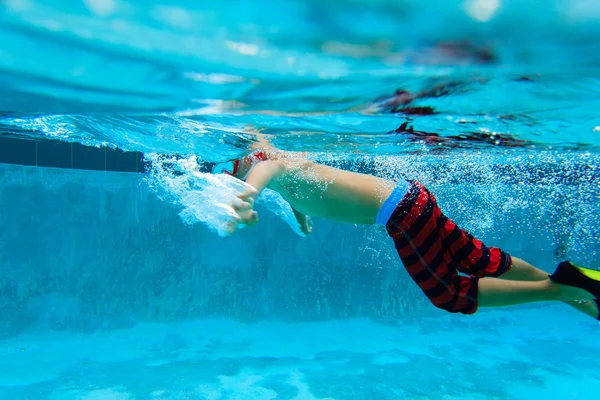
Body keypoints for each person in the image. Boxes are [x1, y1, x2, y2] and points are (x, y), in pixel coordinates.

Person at [211, 145, 600, 320]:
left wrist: (248, 195)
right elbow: (287, 186)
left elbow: (268, 172)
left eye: (233, 165)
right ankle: (569, 283)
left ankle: (565, 291)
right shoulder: (284, 167)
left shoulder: (270, 162)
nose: (232, 172)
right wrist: (301, 217)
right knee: (475, 259)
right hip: (411, 199)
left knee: (449, 295)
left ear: (249, 154)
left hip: (401, 215)